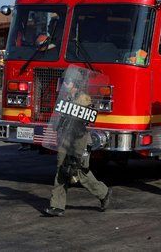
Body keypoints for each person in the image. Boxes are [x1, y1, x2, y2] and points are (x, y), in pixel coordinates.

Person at [44, 71, 112, 217]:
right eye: (64, 81)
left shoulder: (84, 98)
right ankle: (57, 205)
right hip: (65, 138)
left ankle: (103, 193)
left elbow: (85, 118)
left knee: (79, 171)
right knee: (62, 169)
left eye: (67, 82)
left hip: (79, 139)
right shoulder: (66, 98)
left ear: (75, 83)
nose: (64, 84)